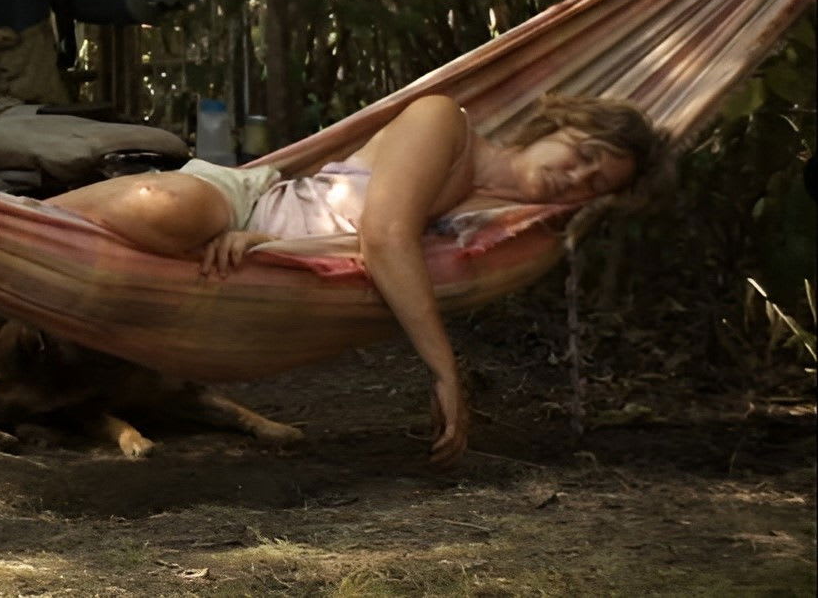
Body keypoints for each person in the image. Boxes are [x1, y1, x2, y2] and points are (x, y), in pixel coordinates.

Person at [45, 93, 662, 466]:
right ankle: (6, 223)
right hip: (242, 206)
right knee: (167, 206)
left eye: (596, 184)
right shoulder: (443, 121)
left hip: (264, 249)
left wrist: (273, 248)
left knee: (126, 269)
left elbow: (362, 243)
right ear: (557, 123)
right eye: (582, 153)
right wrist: (445, 371)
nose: (576, 177)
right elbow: (385, 236)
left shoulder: (501, 225)